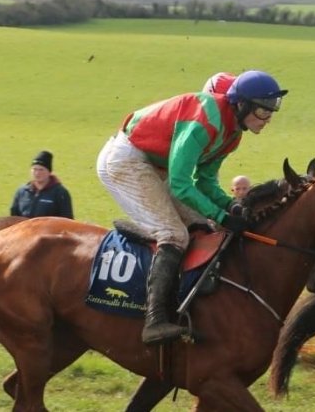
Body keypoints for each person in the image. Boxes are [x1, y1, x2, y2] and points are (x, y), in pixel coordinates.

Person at [97, 70, 285, 345]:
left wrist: (231, 207)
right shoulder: (204, 121)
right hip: (126, 161)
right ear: (242, 104)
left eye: (270, 113)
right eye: (262, 111)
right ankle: (155, 321)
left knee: (205, 226)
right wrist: (221, 214)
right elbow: (181, 183)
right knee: (174, 234)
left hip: (154, 167)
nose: (267, 119)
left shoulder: (233, 133)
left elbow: (206, 181)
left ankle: (191, 302)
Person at [10, 150, 74, 219]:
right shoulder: (22, 191)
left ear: (49, 172)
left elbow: (67, 221)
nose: (37, 173)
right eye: (34, 169)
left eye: (41, 170)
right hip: (25, 229)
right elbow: (13, 218)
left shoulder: (60, 193)